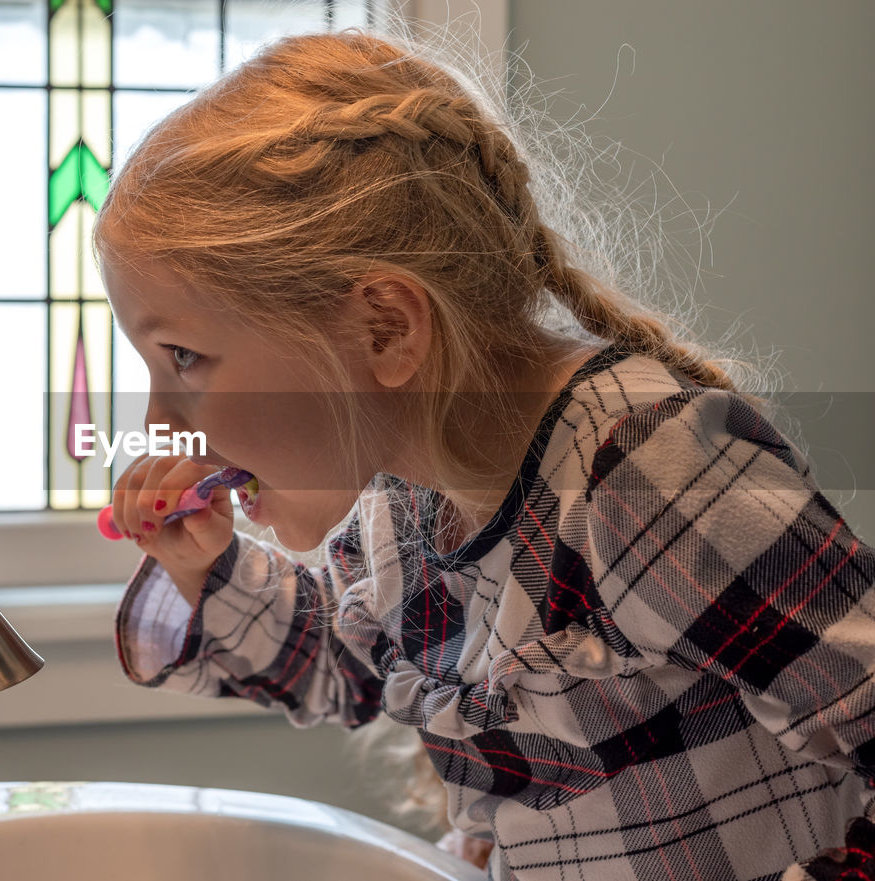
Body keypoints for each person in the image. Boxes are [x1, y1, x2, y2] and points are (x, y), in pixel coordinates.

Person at [93, 28, 875, 881]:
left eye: (183, 359)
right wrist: (207, 569)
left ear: (385, 327)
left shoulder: (643, 474)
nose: (163, 418)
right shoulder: (399, 508)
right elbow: (342, 669)